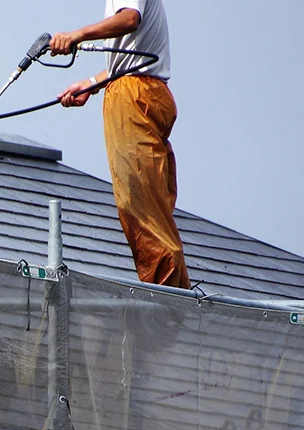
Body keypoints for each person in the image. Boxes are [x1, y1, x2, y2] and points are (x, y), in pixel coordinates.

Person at [51, 1, 190, 289]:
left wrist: (76, 35)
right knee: (150, 200)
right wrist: (92, 82)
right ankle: (170, 295)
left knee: (140, 204)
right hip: (141, 91)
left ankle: (166, 301)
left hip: (134, 95)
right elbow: (133, 56)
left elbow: (129, 20)